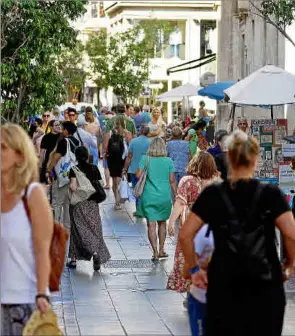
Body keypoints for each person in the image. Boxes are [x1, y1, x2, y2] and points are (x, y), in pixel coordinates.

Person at [179, 130, 295, 336]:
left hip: (224, 283)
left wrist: (194, 269)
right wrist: (289, 265)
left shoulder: (213, 194)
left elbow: (185, 235)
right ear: (255, 159)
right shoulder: (271, 194)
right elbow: (291, 234)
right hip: (265, 284)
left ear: (229, 159)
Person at [1, 124, 53, 335]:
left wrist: (42, 294)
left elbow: (42, 250)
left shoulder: (32, 195)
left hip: (24, 301)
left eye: (3, 147)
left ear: (20, 156)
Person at [167, 152, 219, 294]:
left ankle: (192, 290)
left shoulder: (187, 180)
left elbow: (179, 203)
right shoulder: (218, 180)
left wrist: (171, 222)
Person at [67, 146, 110, 271]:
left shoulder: (74, 169)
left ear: (76, 156)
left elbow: (74, 187)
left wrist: (69, 182)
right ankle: (96, 252)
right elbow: (101, 184)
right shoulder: (94, 168)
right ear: (87, 156)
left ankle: (74, 260)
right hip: (92, 204)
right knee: (94, 230)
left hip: (79, 205)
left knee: (77, 232)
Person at [136, 137, 177, 261]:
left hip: (149, 196)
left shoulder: (145, 159)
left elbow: (138, 175)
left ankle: (154, 252)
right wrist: (177, 194)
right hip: (164, 197)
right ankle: (161, 250)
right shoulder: (169, 161)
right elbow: (172, 180)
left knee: (151, 224)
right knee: (162, 223)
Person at [47, 121, 79, 229]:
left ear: (66, 130)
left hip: (61, 178)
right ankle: (67, 228)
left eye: (63, 128)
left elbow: (56, 158)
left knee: (57, 203)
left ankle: (55, 227)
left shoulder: (64, 142)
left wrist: (48, 170)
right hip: (72, 178)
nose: (61, 130)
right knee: (67, 204)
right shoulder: (76, 141)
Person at [105, 116, 131, 210]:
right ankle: (119, 199)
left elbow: (105, 147)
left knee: (115, 180)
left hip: (112, 159)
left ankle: (117, 201)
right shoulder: (127, 133)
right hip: (122, 159)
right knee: (120, 179)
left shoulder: (110, 133)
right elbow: (130, 146)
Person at [122, 125, 150, 212]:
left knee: (136, 190)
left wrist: (125, 169)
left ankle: (138, 210)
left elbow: (129, 157)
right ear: (148, 133)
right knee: (145, 190)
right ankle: (144, 208)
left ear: (140, 131)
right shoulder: (150, 142)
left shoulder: (133, 142)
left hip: (134, 170)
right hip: (146, 171)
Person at [39, 120, 62, 184]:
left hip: (60, 164)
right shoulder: (46, 137)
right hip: (48, 164)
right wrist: (41, 165)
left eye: (59, 124)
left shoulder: (62, 136)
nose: (59, 126)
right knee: (48, 183)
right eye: (56, 125)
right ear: (51, 127)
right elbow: (42, 153)